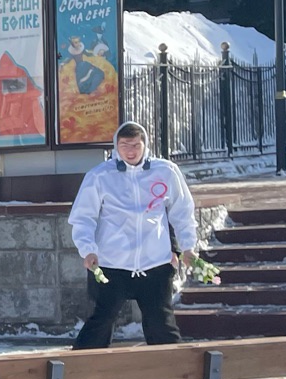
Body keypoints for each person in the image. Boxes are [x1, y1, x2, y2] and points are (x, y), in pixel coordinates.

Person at [67, 120, 200, 350]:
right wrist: (87, 249)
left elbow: (182, 212)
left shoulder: (165, 171)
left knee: (161, 322)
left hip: (154, 262)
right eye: (125, 146)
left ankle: (172, 367)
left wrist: (187, 246)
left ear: (145, 145)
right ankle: (80, 366)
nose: (131, 151)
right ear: (116, 147)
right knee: (102, 319)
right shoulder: (100, 176)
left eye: (136, 145)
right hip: (112, 263)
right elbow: (83, 217)